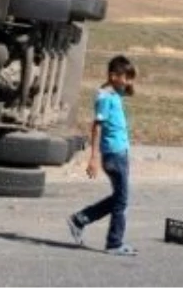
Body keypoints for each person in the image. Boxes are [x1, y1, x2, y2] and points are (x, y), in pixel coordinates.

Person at [66, 55, 138, 256]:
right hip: (113, 154)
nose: (128, 82)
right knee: (122, 200)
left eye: (130, 78)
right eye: (126, 77)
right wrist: (93, 157)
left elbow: (129, 90)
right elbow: (97, 127)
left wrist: (127, 83)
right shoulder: (104, 97)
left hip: (120, 152)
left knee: (119, 198)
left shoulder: (114, 92)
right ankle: (114, 243)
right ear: (114, 76)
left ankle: (80, 219)